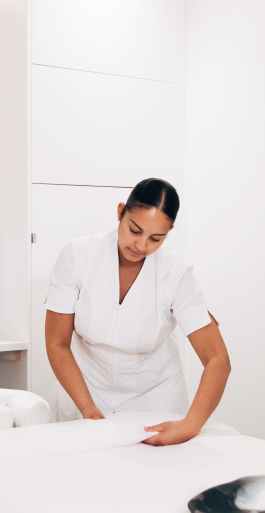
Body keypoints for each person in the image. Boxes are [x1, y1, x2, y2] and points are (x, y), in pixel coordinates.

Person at [44, 178, 230, 446]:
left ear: (169, 232)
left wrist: (191, 425)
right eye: (135, 230)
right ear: (121, 212)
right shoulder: (77, 256)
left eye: (156, 238)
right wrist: (87, 408)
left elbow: (217, 359)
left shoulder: (175, 275)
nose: (141, 246)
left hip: (154, 397)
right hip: (84, 392)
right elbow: (57, 342)